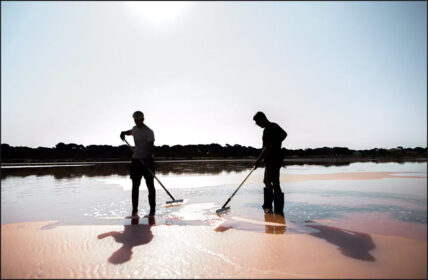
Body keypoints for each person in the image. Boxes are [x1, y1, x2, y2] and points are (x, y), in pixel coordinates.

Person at [120, 111, 156, 216]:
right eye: (135, 120)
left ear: (143, 119)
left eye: (138, 120)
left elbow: (150, 148)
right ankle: (134, 209)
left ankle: (152, 210)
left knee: (150, 185)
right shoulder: (134, 129)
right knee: (135, 185)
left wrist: (148, 162)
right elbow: (129, 132)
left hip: (147, 160)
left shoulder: (149, 132)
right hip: (136, 160)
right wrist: (123, 133)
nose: (136, 122)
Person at [253, 111, 287, 215]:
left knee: (273, 183)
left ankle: (273, 208)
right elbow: (284, 134)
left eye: (257, 122)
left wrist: (258, 160)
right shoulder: (274, 126)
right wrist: (278, 142)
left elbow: (267, 147)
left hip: (272, 159)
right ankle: (273, 208)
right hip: (276, 158)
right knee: (270, 182)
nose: (257, 125)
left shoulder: (268, 129)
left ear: (262, 119)